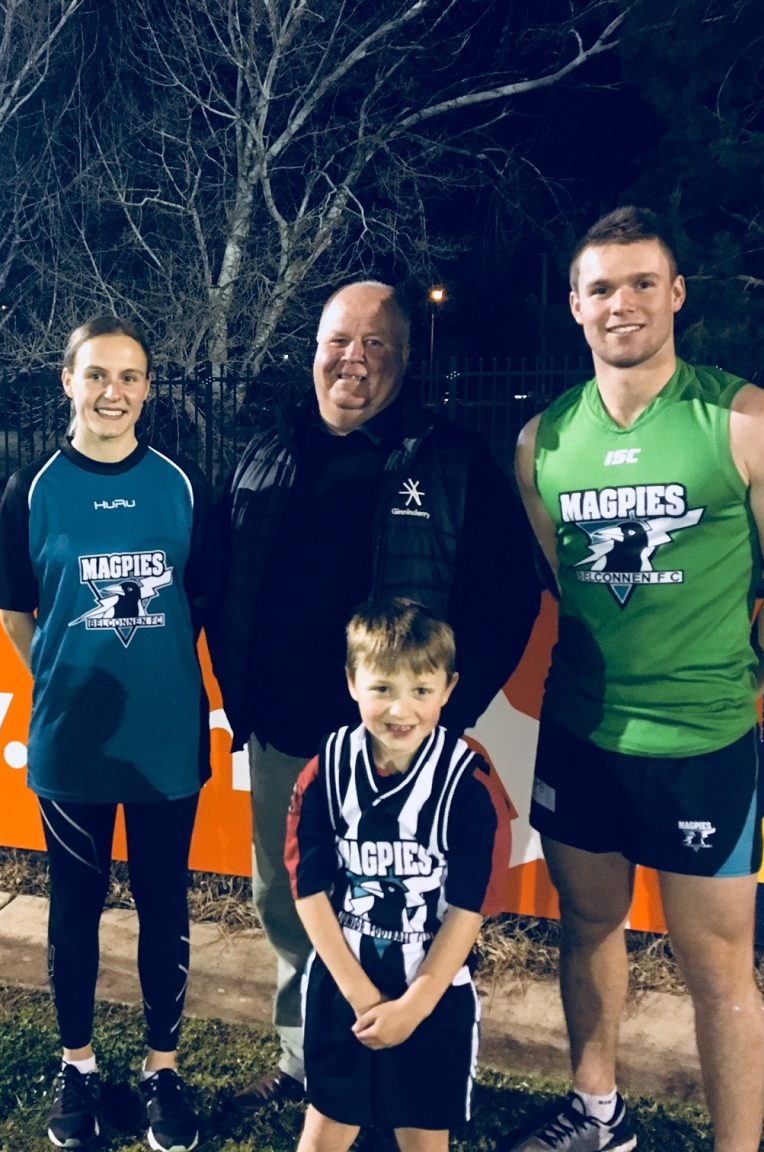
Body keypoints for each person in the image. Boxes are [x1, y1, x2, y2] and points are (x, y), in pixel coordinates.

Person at [510, 206, 764, 1152]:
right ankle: (597, 1112)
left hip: (703, 744)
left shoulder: (750, 422)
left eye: (642, 283)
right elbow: (563, 573)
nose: (623, 303)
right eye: (602, 288)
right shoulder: (542, 442)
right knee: (587, 924)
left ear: (677, 293)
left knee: (718, 968)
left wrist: (742, 682)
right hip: (583, 732)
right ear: (575, 305)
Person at [212, 280, 539, 1107]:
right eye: (337, 341)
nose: (352, 359)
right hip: (289, 741)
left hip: (402, 755)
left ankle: (408, 1071)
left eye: (375, 343)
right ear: (314, 352)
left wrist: (441, 716)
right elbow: (219, 581)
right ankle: (306, 1063)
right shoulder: (264, 454)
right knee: (292, 903)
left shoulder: (451, 459)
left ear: (403, 357)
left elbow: (509, 598)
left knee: (405, 914)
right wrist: (240, 697)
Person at [0, 316, 212, 1152]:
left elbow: (203, 602)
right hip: (72, 744)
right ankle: (76, 1065)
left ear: (148, 389)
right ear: (68, 382)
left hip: (165, 743)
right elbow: (15, 611)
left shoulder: (182, 486)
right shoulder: (33, 488)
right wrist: (61, 678)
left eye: (129, 376)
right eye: (96, 375)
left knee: (163, 904)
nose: (112, 392)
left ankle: (163, 1069)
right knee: (74, 909)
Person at [286, 597, 496, 1152]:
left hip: (433, 993)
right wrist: (360, 994)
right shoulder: (326, 770)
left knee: (424, 1135)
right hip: (343, 987)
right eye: (382, 688)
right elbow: (308, 888)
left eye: (421, 690)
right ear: (352, 682)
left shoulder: (467, 785)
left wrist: (414, 1006)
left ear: (448, 689)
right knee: (326, 1128)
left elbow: (468, 907)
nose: (401, 709)